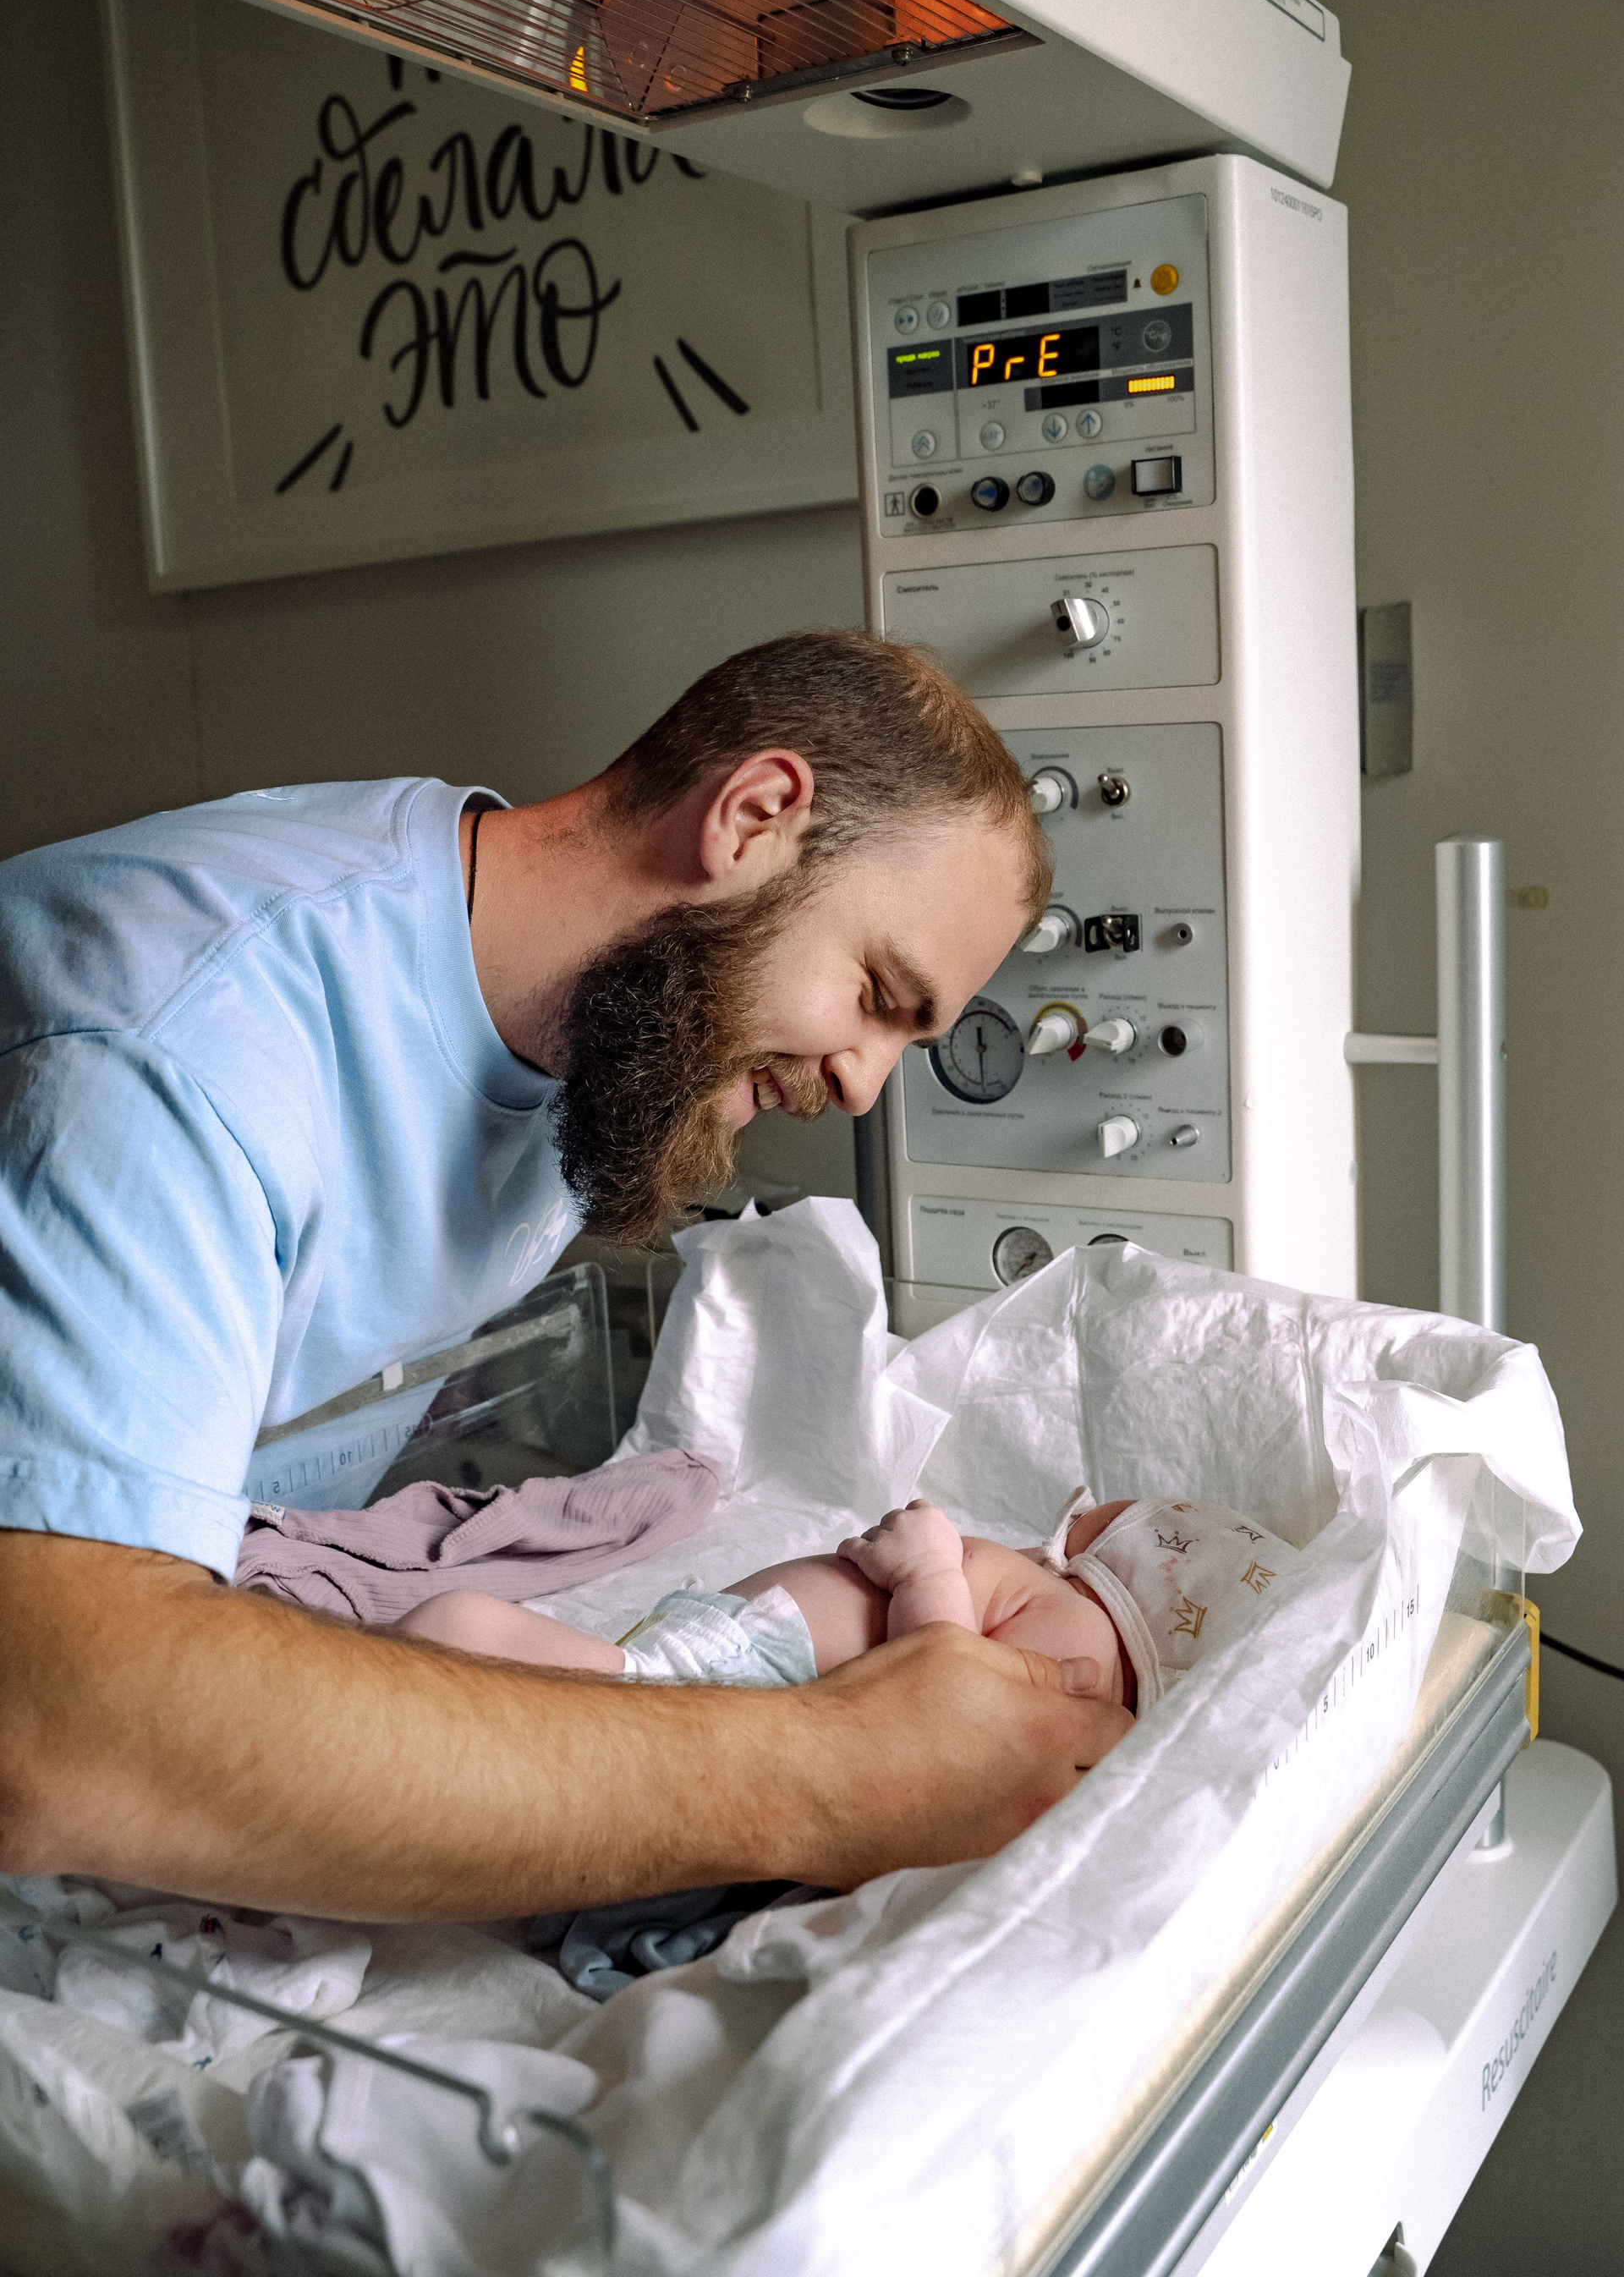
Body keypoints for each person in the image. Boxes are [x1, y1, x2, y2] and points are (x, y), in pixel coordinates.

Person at [0, 630, 1132, 1921]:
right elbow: (59, 1731)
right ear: (751, 820)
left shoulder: (583, 1017)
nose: (863, 1086)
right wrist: (838, 1773)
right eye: (877, 992)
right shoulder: (178, 1054)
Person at [391, 1495, 1301, 1723]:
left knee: (457, 1633)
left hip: (725, 1682)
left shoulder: (1082, 1632)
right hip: (724, 1671)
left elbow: (945, 1690)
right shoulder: (1068, 1617)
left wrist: (928, 1572)